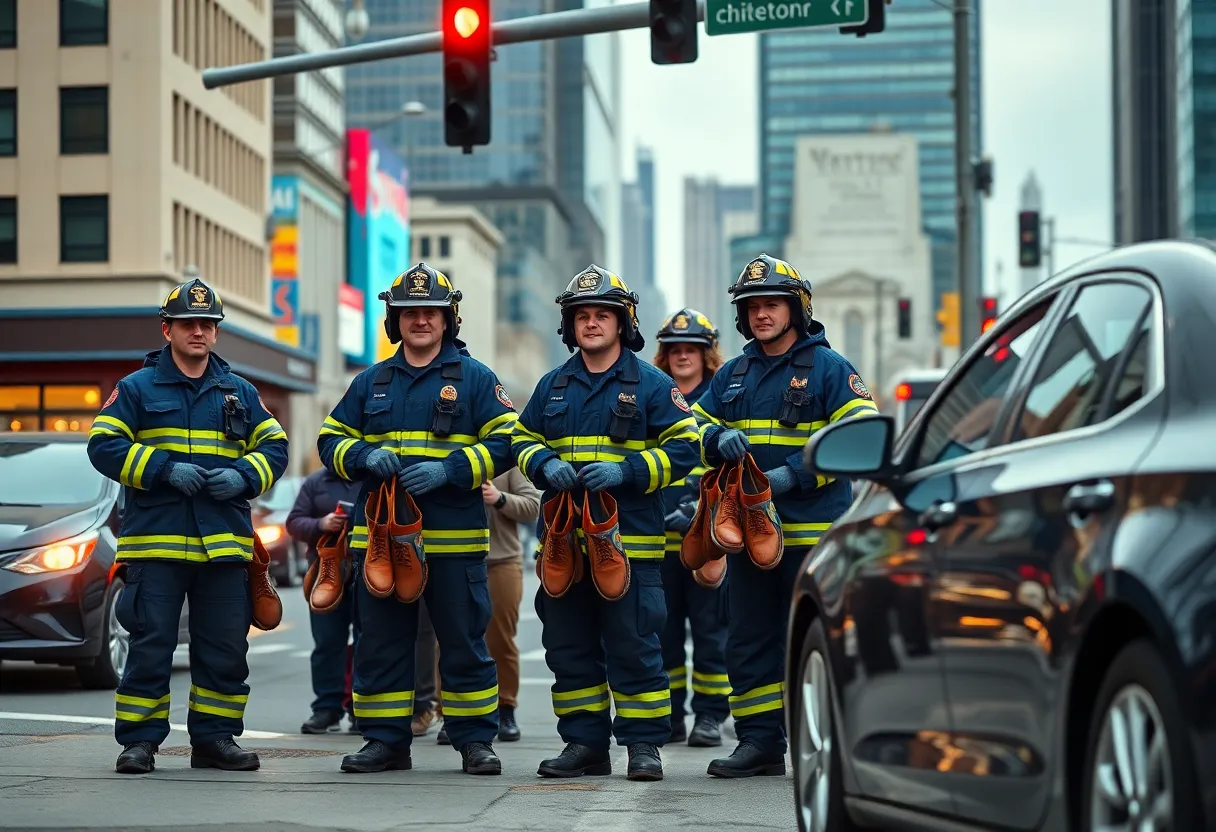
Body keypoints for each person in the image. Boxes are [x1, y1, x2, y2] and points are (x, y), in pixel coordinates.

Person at [316, 262, 517, 776]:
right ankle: (385, 741)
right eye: (409, 312)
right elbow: (329, 440)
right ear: (395, 320)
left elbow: (507, 441)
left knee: (464, 643)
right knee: (380, 643)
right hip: (380, 543)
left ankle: (474, 741)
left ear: (448, 319)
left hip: (453, 543)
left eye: (430, 312)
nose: (420, 320)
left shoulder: (476, 379)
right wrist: (361, 457)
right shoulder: (370, 381)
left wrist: (452, 470)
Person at [87, 275, 289, 775]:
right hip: (156, 547)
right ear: (167, 329)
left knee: (223, 648)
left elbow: (276, 447)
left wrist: (244, 475)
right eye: (187, 324)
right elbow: (103, 446)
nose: (198, 331)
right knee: (151, 645)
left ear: (216, 333)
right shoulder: (135, 389)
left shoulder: (239, 391)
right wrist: (162, 469)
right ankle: (139, 743)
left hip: (222, 548)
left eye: (207, 324)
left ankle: (215, 741)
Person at [692, 254, 878, 778]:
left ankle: (832, 741)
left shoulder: (831, 369)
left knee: (819, 638)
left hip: (815, 539)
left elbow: (858, 436)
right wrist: (712, 437)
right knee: (748, 638)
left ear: (797, 309)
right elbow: (690, 428)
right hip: (749, 538)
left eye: (772, 304)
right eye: (752, 307)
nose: (761, 315)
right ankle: (760, 743)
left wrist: (793, 476)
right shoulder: (733, 374)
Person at [512, 265, 700, 781]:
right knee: (568, 647)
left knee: (635, 646)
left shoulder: (655, 386)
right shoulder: (553, 385)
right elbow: (520, 439)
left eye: (602, 315)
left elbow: (687, 447)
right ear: (570, 326)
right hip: (563, 547)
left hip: (631, 545)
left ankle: (643, 746)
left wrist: (628, 471)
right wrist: (542, 463)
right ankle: (583, 744)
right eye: (582, 316)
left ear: (623, 323)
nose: (591, 324)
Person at [652, 309, 731, 748]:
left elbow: (734, 469)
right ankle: (671, 715)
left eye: (692, 350)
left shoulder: (720, 399)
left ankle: (709, 716)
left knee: (710, 633)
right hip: (657, 542)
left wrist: (701, 508)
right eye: (676, 349)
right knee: (661, 634)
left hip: (707, 541)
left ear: (707, 355)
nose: (683, 356)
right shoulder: (654, 394)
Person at [286, 465, 361, 734]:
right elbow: (294, 522)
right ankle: (327, 709)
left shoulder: (377, 478)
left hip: (372, 572)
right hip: (326, 574)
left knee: (369, 642)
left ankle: (361, 708)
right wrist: (321, 524)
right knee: (328, 643)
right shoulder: (317, 482)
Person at [481, 467, 541, 742]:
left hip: (502, 560)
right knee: (446, 639)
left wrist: (499, 498)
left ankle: (506, 707)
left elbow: (532, 506)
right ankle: (450, 713)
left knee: (500, 638)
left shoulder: (507, 463)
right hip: (452, 558)